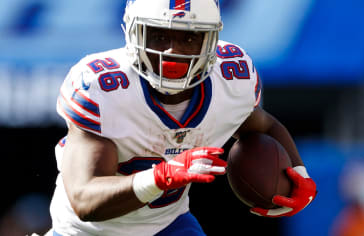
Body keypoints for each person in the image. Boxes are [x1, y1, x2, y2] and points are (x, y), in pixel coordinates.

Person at [48, 0, 317, 235]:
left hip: (166, 226)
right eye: (158, 36)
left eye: (188, 38)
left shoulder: (231, 80)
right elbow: (84, 200)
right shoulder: (103, 88)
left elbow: (264, 124)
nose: (172, 52)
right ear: (133, 33)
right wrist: (162, 177)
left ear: (210, 40)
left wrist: (299, 174)